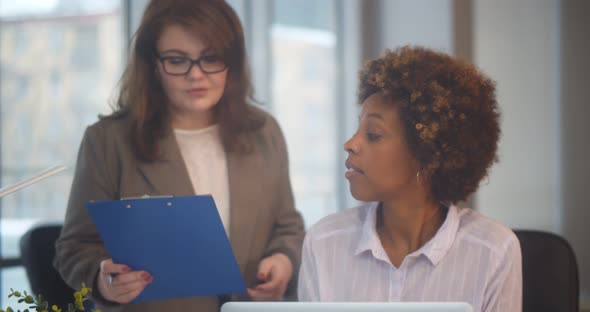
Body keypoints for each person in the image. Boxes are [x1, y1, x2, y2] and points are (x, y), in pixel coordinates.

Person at [54, 0, 305, 311]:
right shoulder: (108, 140)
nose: (196, 75)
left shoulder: (263, 132)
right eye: (177, 60)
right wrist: (102, 279)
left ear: (233, 61)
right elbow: (75, 248)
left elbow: (288, 226)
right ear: (153, 65)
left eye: (211, 58)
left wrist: (284, 260)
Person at [298, 46, 521, 311]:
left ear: (426, 155)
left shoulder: (492, 250)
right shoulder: (324, 242)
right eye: (358, 129)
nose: (350, 144)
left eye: (373, 134)